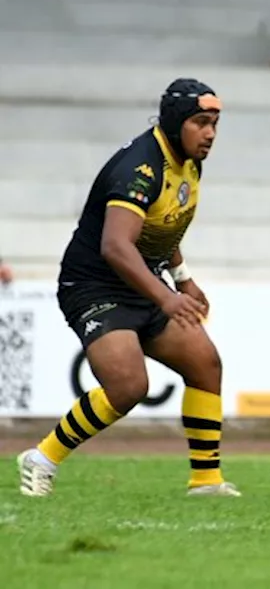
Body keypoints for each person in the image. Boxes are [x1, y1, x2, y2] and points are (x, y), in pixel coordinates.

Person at [17, 79, 238, 498]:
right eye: (201, 123)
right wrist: (167, 297)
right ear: (176, 123)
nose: (210, 133)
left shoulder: (189, 159)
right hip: (94, 284)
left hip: (143, 279)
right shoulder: (140, 168)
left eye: (215, 123)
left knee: (205, 363)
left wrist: (184, 277)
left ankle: (206, 481)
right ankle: (41, 458)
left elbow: (164, 224)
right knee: (128, 386)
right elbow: (116, 246)